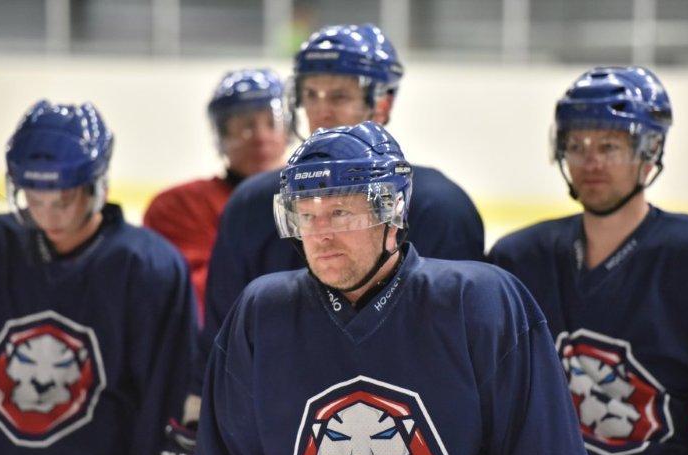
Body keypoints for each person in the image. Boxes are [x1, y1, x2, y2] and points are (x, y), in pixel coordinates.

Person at [194, 121, 590, 455]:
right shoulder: (262, 314)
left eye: (340, 213)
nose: (321, 236)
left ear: (392, 210)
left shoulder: (479, 303)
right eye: (307, 216)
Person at [0, 100, 198, 455]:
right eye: (35, 198)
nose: (49, 214)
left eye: (65, 198)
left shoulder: (147, 269)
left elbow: (162, 398)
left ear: (98, 185)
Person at [489, 66, 688, 455]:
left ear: (650, 151)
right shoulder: (520, 258)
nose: (590, 161)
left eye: (609, 147)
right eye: (576, 146)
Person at [195, 23, 484, 398]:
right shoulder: (252, 205)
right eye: (311, 94)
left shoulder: (440, 208)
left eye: (339, 95)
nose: (322, 111)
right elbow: (223, 344)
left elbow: (456, 354)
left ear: (383, 102)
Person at [143, 68, 290, 319]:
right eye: (245, 126)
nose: (261, 137)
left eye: (271, 123)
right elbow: (191, 299)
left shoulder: (317, 201)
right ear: (221, 136)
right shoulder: (179, 206)